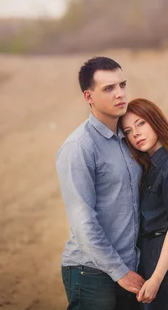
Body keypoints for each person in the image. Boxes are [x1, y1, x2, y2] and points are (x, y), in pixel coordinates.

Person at [56, 56, 145, 310]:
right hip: (91, 272)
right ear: (88, 97)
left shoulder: (128, 139)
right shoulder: (79, 147)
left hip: (129, 268)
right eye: (108, 88)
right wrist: (120, 272)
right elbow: (83, 221)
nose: (120, 94)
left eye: (122, 85)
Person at [120, 98, 168, 310]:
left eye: (140, 123)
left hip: (166, 266)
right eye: (127, 131)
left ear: (155, 121)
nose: (135, 133)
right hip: (146, 257)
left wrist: (156, 279)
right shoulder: (150, 167)